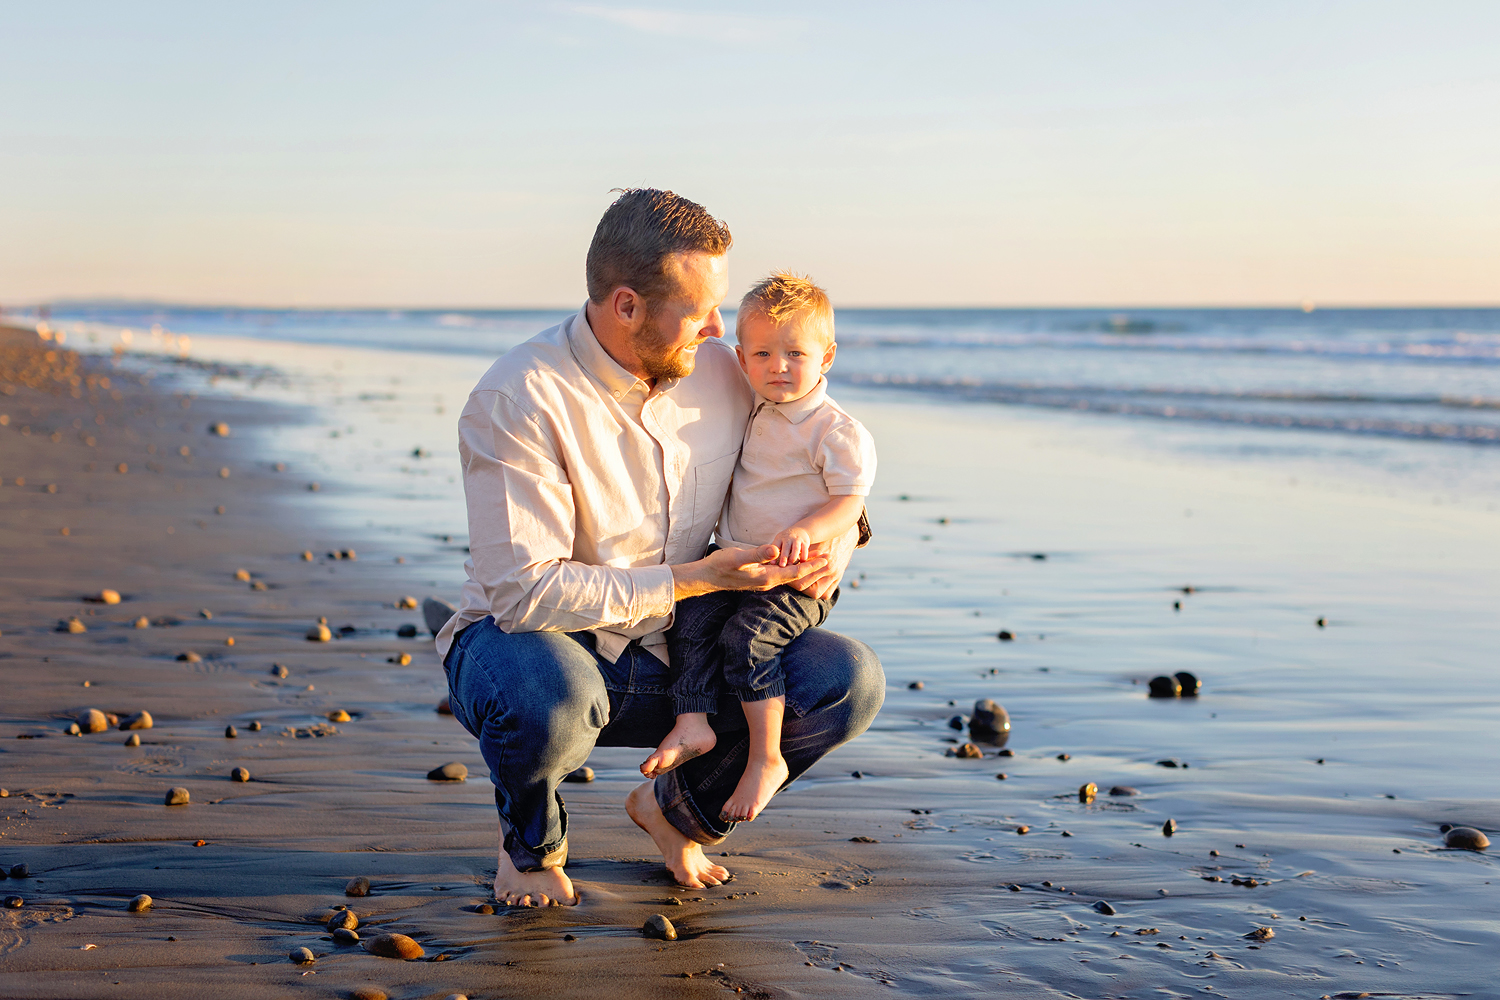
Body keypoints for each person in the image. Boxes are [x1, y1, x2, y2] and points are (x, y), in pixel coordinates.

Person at [435, 189, 884, 906]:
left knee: (846, 678)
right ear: (626, 306)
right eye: (699, 309)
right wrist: (692, 577)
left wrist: (844, 536)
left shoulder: (723, 372)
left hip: (685, 661)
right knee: (547, 698)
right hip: (534, 646)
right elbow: (522, 594)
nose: (716, 328)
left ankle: (679, 813)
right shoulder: (519, 397)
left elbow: (810, 457)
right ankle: (529, 844)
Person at [641, 273, 875, 827]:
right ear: (743, 360)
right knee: (692, 615)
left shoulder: (835, 430)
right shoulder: (754, 403)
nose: (779, 366)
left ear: (828, 357)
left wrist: (812, 532)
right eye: (764, 353)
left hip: (796, 577)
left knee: (749, 638)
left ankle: (766, 756)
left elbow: (848, 503)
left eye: (796, 353)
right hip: (740, 559)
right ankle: (693, 721)